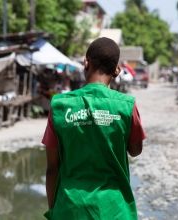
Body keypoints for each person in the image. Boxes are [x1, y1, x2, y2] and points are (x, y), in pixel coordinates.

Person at [42, 37, 146, 219]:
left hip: (70, 209)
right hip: (115, 210)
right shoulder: (126, 105)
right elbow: (135, 150)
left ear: (85, 62)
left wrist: (55, 210)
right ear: (117, 70)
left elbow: (52, 168)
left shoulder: (60, 105)